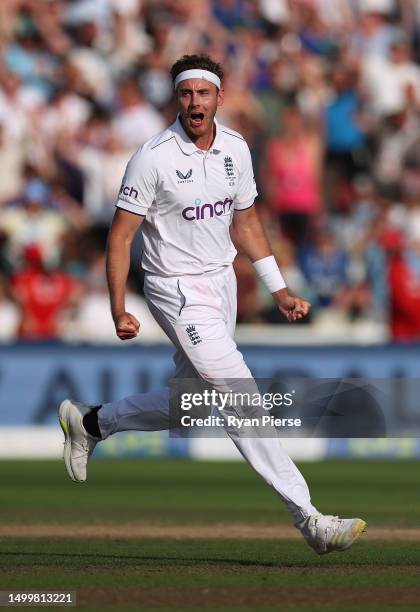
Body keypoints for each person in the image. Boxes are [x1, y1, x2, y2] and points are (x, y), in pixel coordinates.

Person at [58, 54, 366, 555]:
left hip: (221, 283)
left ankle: (92, 422)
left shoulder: (237, 149)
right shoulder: (153, 156)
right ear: (176, 99)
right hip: (174, 288)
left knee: (193, 400)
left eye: (203, 93)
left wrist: (278, 288)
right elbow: (120, 236)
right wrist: (118, 306)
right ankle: (311, 519)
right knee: (237, 393)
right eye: (186, 93)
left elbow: (245, 222)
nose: (195, 102)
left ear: (219, 97)